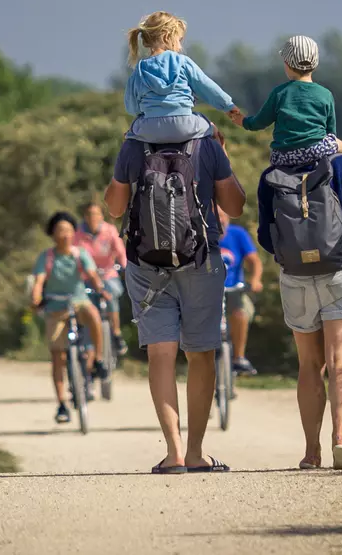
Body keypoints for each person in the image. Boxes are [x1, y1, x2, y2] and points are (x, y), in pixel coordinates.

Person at [104, 129, 246, 474]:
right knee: (201, 354)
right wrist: (220, 159)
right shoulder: (208, 142)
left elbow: (114, 207)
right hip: (200, 261)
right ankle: (196, 452)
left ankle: (174, 453)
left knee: (160, 355)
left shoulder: (134, 141)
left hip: (146, 263)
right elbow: (236, 207)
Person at [257, 153, 342, 470]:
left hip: (295, 278)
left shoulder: (272, 173)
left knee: (309, 364)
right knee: (341, 360)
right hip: (340, 271)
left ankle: (312, 452)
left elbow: (266, 238)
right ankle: (341, 439)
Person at [30, 211, 113, 424]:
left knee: (94, 315)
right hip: (55, 307)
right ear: (53, 234)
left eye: (68, 230)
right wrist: (36, 297)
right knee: (57, 356)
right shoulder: (46, 257)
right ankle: (62, 404)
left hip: (79, 302)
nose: (65, 234)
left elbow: (93, 276)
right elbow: (39, 281)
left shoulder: (80, 254)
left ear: (73, 233)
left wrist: (101, 290)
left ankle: (100, 361)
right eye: (60, 231)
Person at [124, 11, 244, 144]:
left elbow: (131, 107)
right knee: (214, 131)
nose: (180, 46)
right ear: (166, 37)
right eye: (179, 40)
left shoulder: (140, 69)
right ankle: (225, 165)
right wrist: (229, 107)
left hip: (150, 129)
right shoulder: (182, 62)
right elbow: (207, 88)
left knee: (131, 134)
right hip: (184, 125)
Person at [236, 35, 342, 167]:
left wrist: (243, 121)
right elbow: (331, 132)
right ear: (316, 64)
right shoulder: (326, 94)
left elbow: (259, 123)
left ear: (287, 64)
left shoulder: (279, 93)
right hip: (315, 151)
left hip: (283, 157)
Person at [77, 202, 129, 357]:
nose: (93, 217)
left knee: (111, 294)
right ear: (85, 217)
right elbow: (73, 253)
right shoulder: (77, 234)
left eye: (96, 214)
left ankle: (116, 332)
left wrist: (126, 267)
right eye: (90, 214)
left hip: (107, 274)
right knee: (84, 304)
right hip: (86, 277)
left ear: (102, 216)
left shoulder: (110, 231)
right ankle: (84, 342)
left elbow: (121, 252)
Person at [218, 209, 264, 376]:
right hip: (208, 290)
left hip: (234, 288)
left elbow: (254, 260)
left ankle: (238, 357)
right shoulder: (202, 233)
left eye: (222, 216)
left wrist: (255, 279)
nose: (220, 220)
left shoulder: (237, 234)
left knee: (240, 313)